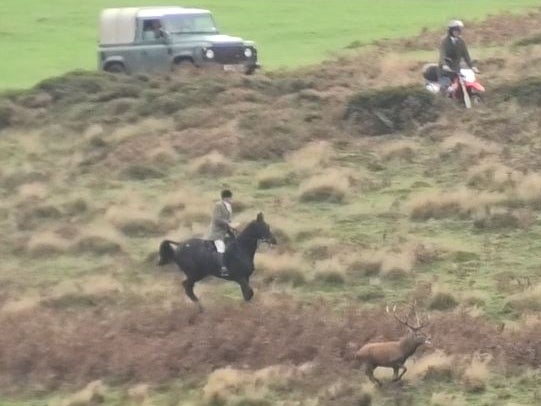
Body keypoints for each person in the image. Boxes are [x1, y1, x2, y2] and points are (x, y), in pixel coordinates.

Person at [438, 20, 479, 93]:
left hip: (456, 69)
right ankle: (442, 101)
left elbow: (466, 55)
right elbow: (442, 54)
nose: (457, 32)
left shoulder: (461, 41)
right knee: (446, 88)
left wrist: (472, 66)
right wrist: (444, 65)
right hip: (445, 71)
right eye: (455, 31)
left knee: (461, 86)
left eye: (458, 31)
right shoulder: (444, 41)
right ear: (450, 31)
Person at [207, 189, 239, 277]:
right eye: (230, 198)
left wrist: (232, 226)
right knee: (221, 248)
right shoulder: (218, 205)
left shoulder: (229, 206)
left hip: (226, 230)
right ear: (226, 198)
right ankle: (222, 268)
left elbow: (228, 219)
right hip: (217, 232)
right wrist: (229, 224)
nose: (232, 199)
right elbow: (216, 219)